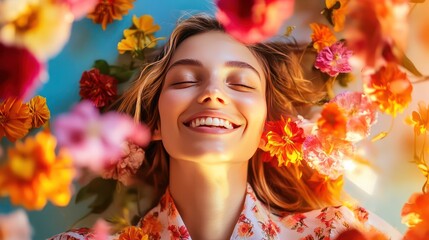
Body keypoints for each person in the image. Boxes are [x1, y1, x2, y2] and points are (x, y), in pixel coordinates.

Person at [51, 14, 393, 240]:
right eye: (185, 80)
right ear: (153, 123)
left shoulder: (343, 232)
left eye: (241, 84)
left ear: (267, 127)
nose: (212, 94)